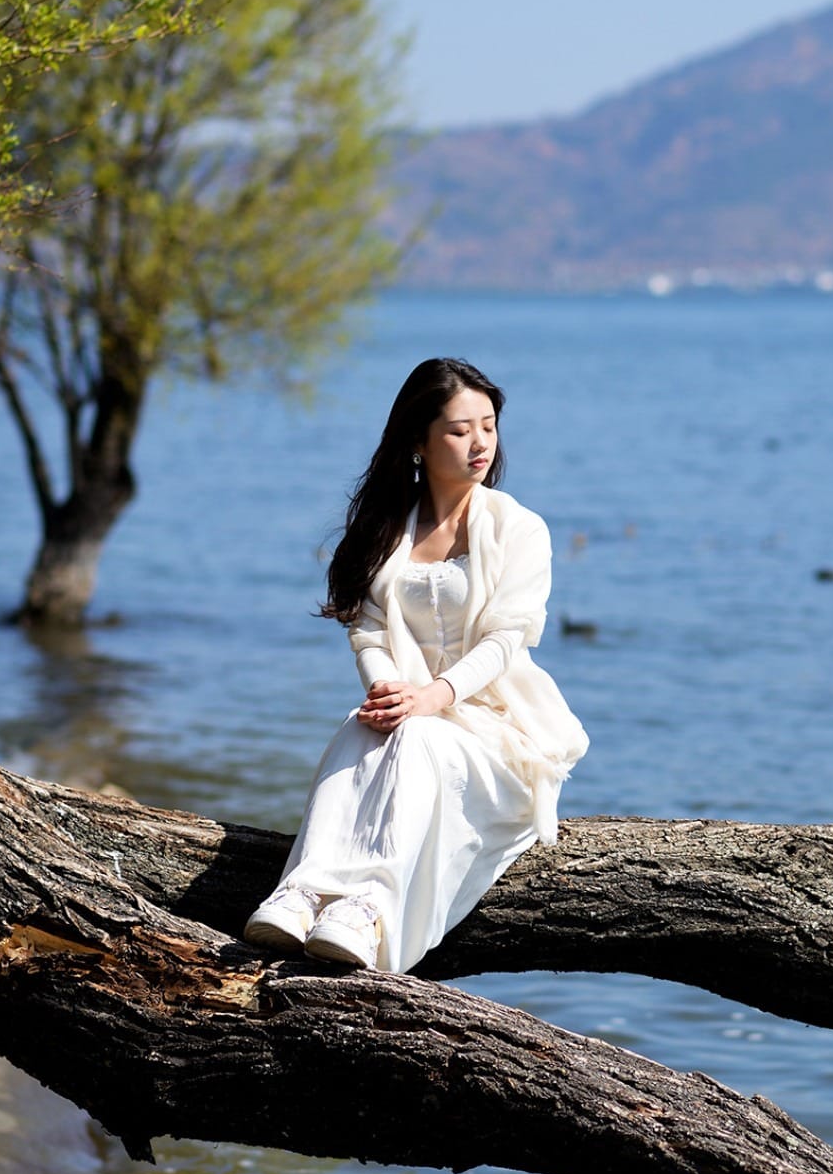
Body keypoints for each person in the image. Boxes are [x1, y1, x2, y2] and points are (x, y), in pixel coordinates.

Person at [244, 357, 588, 974]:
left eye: (488, 425)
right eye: (460, 429)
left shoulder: (520, 529)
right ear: (418, 442)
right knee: (358, 726)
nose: (480, 442)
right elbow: (367, 628)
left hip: (500, 731)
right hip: (414, 711)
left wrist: (432, 697)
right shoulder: (385, 527)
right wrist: (385, 691)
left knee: (420, 737)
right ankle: (305, 892)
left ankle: (369, 908)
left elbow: (509, 639)